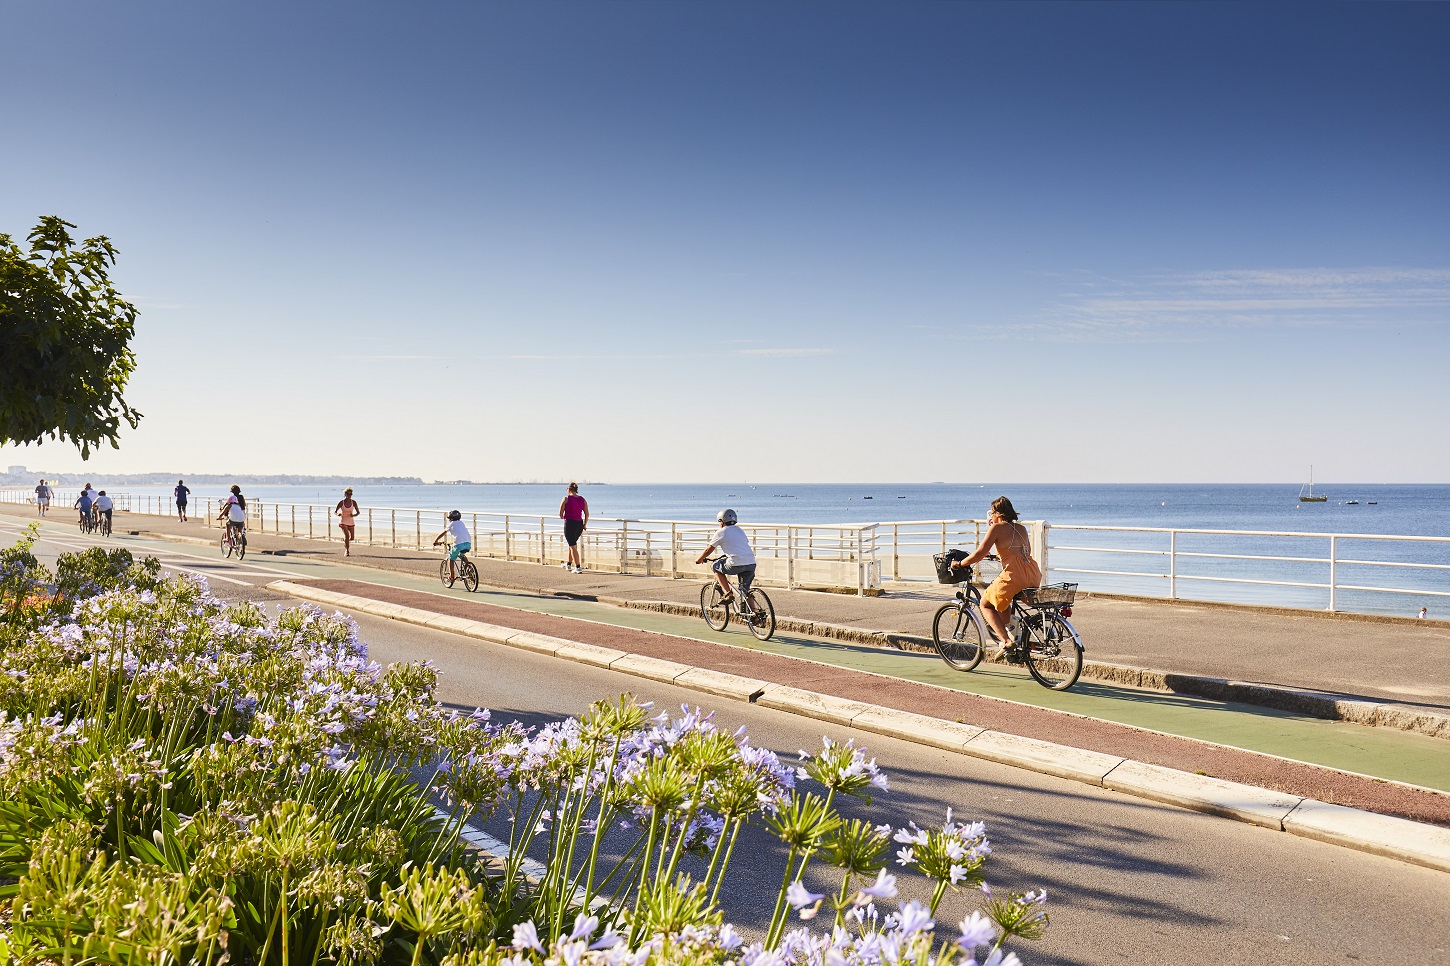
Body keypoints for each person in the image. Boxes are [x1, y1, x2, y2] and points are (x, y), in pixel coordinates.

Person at [951, 496, 1042, 656]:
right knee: (1001, 595)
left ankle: (1006, 641)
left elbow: (979, 553)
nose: (991, 516)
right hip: (1032, 573)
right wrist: (999, 557)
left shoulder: (996, 528)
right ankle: (1012, 634)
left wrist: (960, 563)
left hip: (1014, 576)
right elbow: (1020, 552)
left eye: (991, 513)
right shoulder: (1021, 528)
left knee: (985, 604)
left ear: (997, 514)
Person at [695, 508, 757, 603]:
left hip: (735, 564)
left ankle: (728, 593)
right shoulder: (739, 530)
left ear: (722, 521)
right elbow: (739, 546)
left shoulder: (721, 532)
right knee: (745, 592)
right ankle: (754, 615)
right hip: (751, 563)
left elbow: (708, 550)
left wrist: (699, 560)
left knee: (715, 566)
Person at [433, 510, 472, 583]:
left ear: (451, 519)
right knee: (462, 555)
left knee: (451, 558)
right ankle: (469, 568)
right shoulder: (461, 523)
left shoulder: (451, 524)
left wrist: (436, 541)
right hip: (468, 543)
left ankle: (452, 576)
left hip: (458, 545)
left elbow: (443, 533)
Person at [559, 482, 589, 574]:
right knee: (572, 545)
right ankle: (568, 564)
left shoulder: (566, 499)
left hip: (569, 524)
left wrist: (565, 514)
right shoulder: (582, 499)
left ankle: (578, 567)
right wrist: (584, 524)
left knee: (573, 547)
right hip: (579, 525)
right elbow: (587, 514)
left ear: (569, 489)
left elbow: (560, 514)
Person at [334, 488, 361, 556]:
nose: (349, 495)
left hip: (351, 521)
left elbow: (358, 512)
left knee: (352, 538)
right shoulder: (341, 502)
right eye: (348, 494)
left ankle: (345, 542)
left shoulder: (353, 502)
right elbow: (335, 512)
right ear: (345, 494)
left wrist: (353, 515)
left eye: (351, 494)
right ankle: (347, 550)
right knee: (347, 535)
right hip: (343, 521)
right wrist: (338, 514)